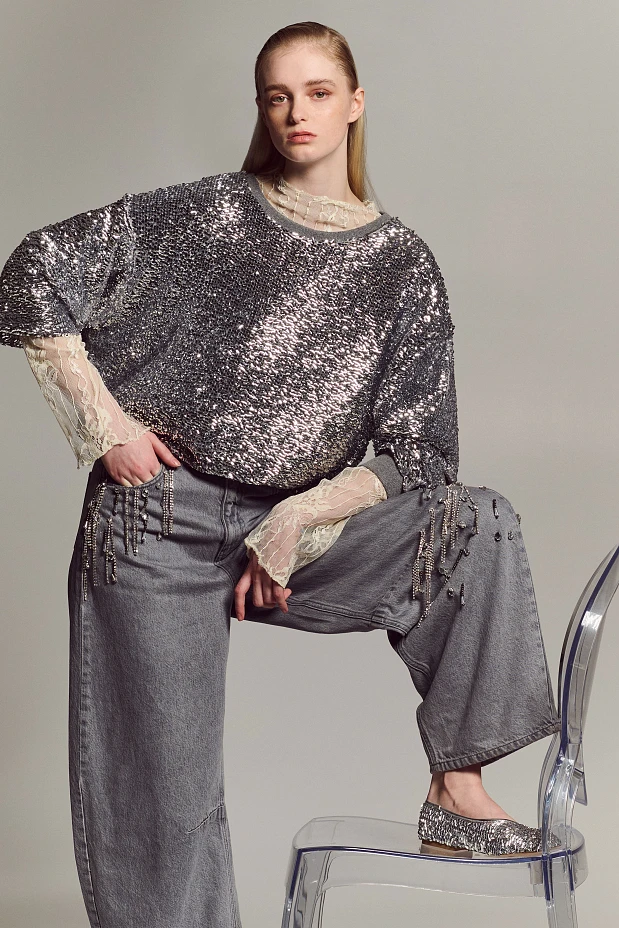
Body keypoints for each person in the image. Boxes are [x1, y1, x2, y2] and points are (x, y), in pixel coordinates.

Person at [0, 20, 561, 928]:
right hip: (159, 523)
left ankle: (457, 793)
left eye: (317, 92)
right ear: (263, 109)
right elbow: (35, 272)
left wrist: (301, 520)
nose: (297, 112)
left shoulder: (401, 265)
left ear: (354, 104)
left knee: (475, 524)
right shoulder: (205, 215)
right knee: (169, 806)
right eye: (277, 96)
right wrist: (104, 427)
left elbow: (420, 449)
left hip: (300, 533)